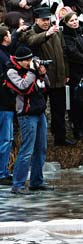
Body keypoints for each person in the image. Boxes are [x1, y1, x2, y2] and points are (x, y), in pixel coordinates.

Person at [24, 6, 74, 146]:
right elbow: (32, 41)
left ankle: (60, 138)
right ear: (36, 20)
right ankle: (37, 139)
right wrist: (47, 34)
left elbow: (64, 53)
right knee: (39, 108)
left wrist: (66, 73)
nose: (46, 22)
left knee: (59, 109)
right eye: (43, 20)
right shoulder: (31, 31)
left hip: (59, 77)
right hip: (42, 80)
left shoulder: (56, 31)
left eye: (48, 19)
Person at [6, 47, 52, 194]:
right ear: (19, 61)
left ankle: (37, 182)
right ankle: (18, 185)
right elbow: (23, 88)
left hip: (40, 113)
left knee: (41, 149)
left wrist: (42, 74)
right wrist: (32, 72)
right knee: (27, 151)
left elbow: (46, 88)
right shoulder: (11, 72)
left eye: (31, 59)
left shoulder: (32, 69)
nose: (30, 62)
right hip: (26, 114)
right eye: (27, 60)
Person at [61, 11, 83, 140]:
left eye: (75, 20)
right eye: (71, 21)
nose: (75, 22)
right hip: (75, 71)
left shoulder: (82, 31)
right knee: (75, 101)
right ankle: (77, 127)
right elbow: (73, 53)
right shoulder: (66, 36)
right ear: (66, 23)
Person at [0, 27, 13, 185]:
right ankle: (2, 173)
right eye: (9, 34)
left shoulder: (5, 53)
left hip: (5, 103)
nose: (11, 36)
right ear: (4, 37)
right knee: (5, 139)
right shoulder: (3, 56)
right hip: (4, 104)